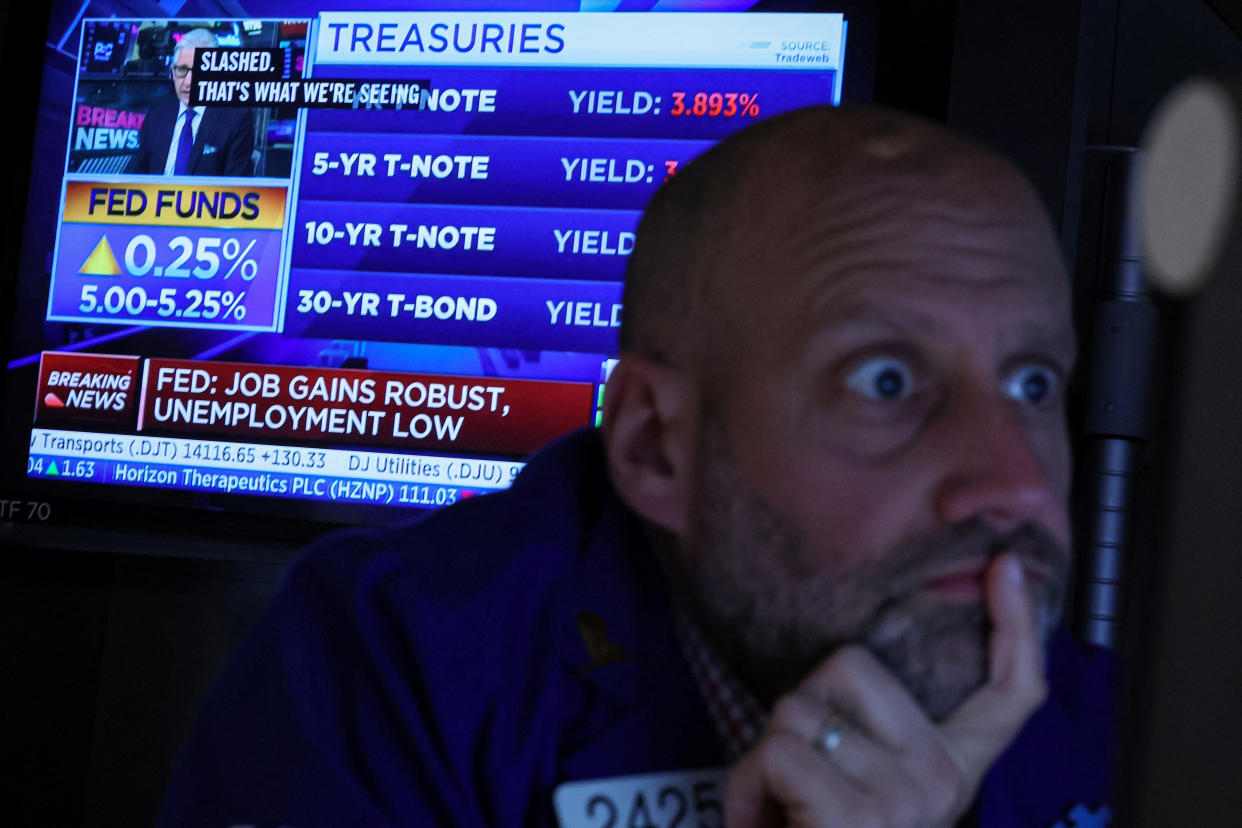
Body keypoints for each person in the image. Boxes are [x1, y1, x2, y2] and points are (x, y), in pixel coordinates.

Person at [158, 107, 1116, 827]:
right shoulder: (394, 661)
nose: (1016, 485)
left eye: (1032, 385)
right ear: (657, 445)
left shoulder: (1127, 724)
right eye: (887, 380)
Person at [127, 27, 254, 177]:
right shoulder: (157, 115)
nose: (188, 82)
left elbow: (235, 190)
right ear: (172, 72)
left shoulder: (236, 120)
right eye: (182, 70)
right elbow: (135, 177)